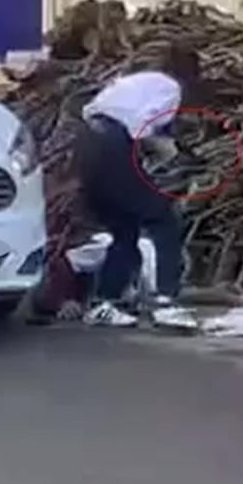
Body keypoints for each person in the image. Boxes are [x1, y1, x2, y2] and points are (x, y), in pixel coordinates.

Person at [73, 43, 201, 329]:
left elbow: (99, 112)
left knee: (125, 228)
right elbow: (142, 125)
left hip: (86, 145)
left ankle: (103, 303)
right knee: (163, 218)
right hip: (112, 146)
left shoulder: (136, 82)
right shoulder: (171, 89)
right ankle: (166, 301)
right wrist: (164, 147)